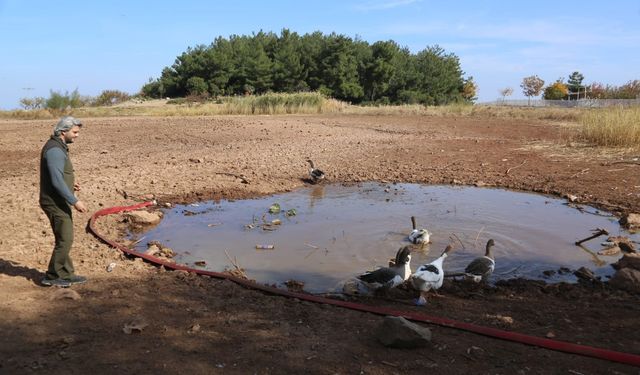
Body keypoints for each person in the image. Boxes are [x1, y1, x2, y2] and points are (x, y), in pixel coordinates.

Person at [39, 116, 88, 287]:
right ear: (62, 132)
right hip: (54, 202)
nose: (77, 135)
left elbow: (59, 175)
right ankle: (52, 276)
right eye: (74, 132)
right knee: (65, 239)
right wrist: (75, 201)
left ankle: (66, 274)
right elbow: (56, 181)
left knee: (64, 237)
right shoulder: (54, 150)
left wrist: (71, 181)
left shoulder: (59, 147)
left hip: (58, 200)